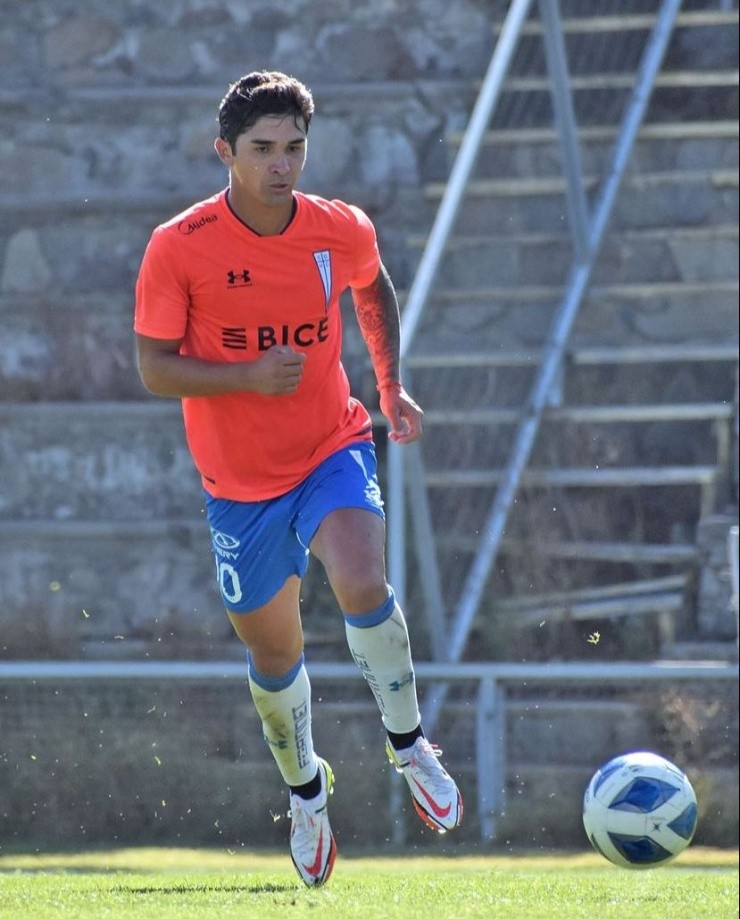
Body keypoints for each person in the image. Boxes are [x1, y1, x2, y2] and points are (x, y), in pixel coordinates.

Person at [134, 70, 462, 887]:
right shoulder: (179, 245)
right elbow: (152, 369)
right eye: (263, 149)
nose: (282, 165)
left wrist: (388, 389)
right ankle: (308, 791)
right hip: (239, 486)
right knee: (275, 654)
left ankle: (409, 742)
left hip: (331, 446)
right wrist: (246, 378)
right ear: (226, 152)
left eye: (294, 148)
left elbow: (373, 287)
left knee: (360, 576)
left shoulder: (336, 227)